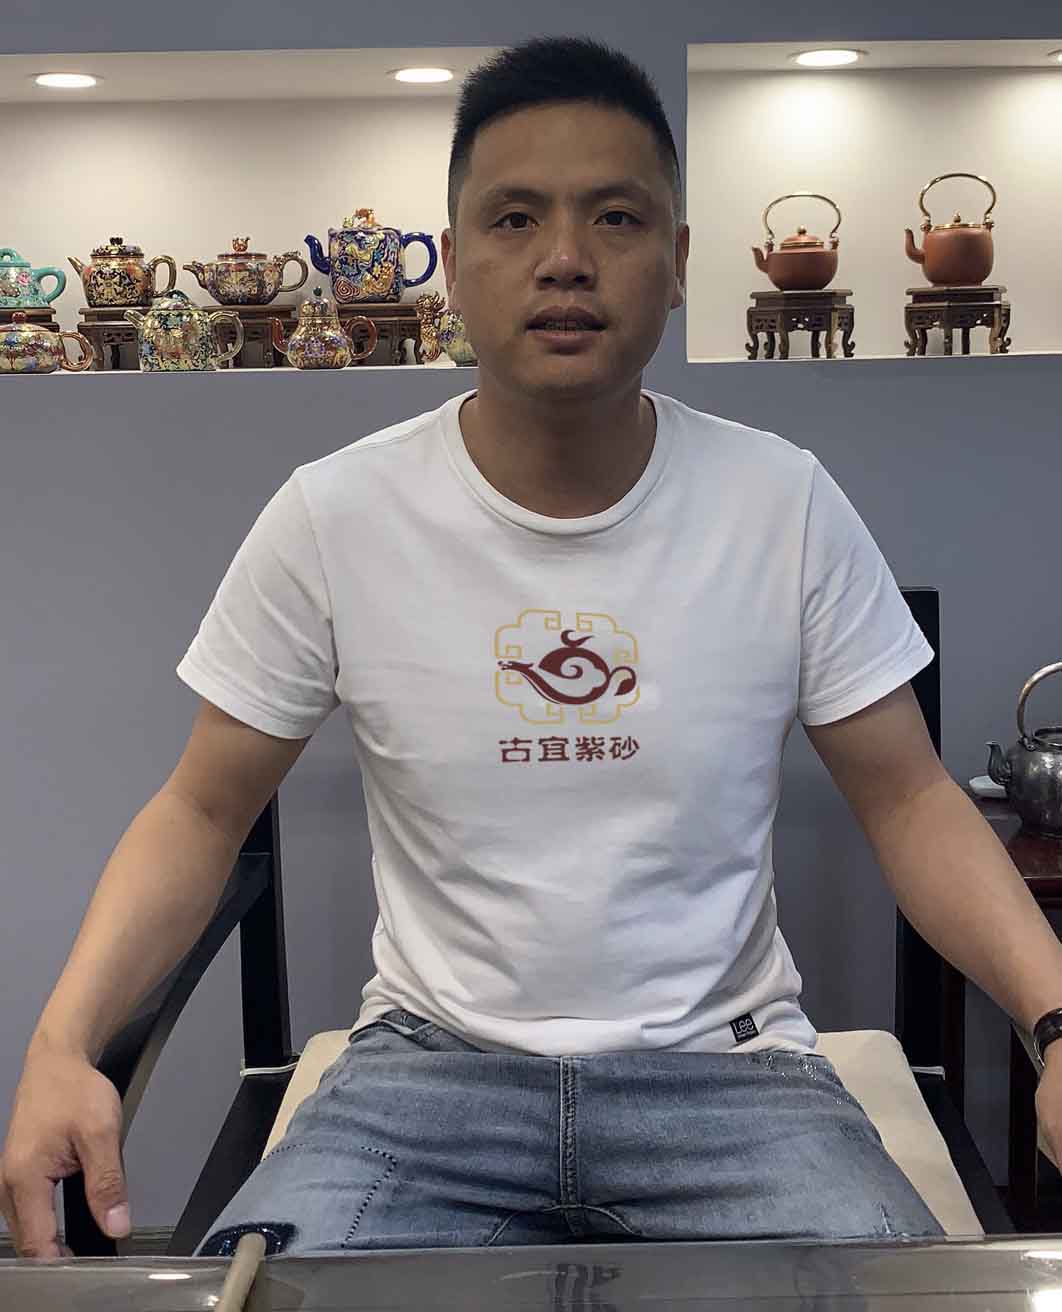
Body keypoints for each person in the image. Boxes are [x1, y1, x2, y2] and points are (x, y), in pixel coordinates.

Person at [5, 33, 1062, 1261]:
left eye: (616, 217)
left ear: (677, 263)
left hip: (731, 1080)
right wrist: (62, 1042)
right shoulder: (335, 516)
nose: (566, 257)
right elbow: (199, 810)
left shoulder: (784, 503)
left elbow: (913, 798)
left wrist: (1055, 1020)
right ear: (454, 266)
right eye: (515, 219)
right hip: (424, 1080)